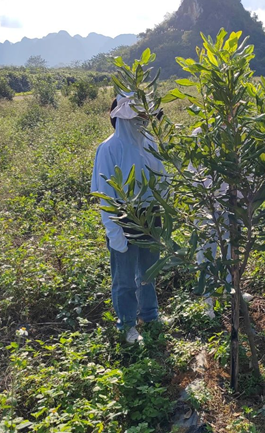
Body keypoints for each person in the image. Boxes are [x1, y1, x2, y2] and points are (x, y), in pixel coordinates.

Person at [91, 95, 165, 344]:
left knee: (148, 272)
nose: (142, 122)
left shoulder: (150, 143)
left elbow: (162, 181)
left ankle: (150, 315)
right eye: (137, 117)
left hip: (150, 215)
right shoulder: (109, 148)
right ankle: (127, 324)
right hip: (123, 217)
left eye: (144, 117)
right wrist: (114, 231)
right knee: (123, 279)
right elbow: (105, 193)